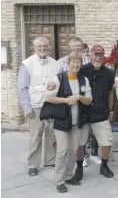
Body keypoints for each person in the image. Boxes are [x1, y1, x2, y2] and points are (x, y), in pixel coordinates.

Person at [45, 52, 92, 193]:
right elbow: (48, 97)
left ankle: (68, 176)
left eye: (78, 62)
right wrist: (66, 100)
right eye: (73, 62)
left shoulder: (83, 80)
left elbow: (89, 100)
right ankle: (59, 181)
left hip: (76, 122)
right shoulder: (59, 78)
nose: (76, 64)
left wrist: (78, 97)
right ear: (68, 63)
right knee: (62, 151)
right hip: (62, 121)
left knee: (73, 151)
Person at [18, 36, 59, 176]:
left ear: (49, 47)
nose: (43, 48)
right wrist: (27, 108)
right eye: (39, 46)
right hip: (35, 105)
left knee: (51, 135)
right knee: (35, 136)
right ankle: (33, 164)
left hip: (51, 104)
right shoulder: (27, 64)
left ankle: (50, 159)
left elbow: (58, 82)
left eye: (45, 46)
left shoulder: (55, 63)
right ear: (34, 48)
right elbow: (22, 88)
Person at [74, 45, 115, 180]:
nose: (98, 57)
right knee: (80, 144)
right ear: (90, 56)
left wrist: (110, 110)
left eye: (100, 55)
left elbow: (110, 93)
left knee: (106, 142)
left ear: (103, 56)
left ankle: (104, 165)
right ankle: (79, 167)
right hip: (84, 113)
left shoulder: (109, 73)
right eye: (95, 55)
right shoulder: (82, 70)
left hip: (101, 113)